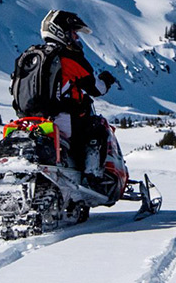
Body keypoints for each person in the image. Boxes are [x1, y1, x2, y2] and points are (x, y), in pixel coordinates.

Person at [17, 10, 118, 183]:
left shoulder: (30, 56)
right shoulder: (69, 58)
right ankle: (91, 176)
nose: (77, 38)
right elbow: (95, 88)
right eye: (74, 33)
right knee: (98, 129)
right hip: (63, 120)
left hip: (30, 121)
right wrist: (107, 80)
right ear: (61, 31)